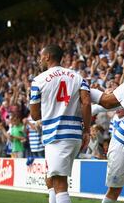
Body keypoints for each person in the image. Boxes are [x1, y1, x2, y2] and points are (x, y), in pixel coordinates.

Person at [30, 44, 91, 203]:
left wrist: (50, 108)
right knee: (51, 179)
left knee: (59, 183)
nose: (40, 60)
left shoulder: (39, 80)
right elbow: (86, 102)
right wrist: (87, 131)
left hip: (56, 136)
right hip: (75, 135)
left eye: (41, 56)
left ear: (48, 56)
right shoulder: (77, 77)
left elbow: (35, 115)